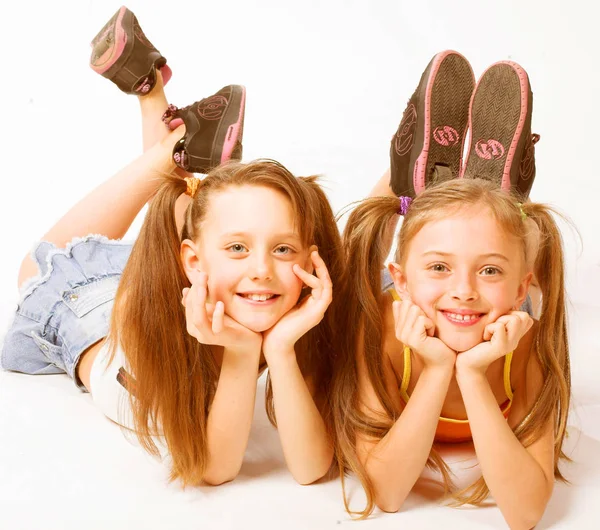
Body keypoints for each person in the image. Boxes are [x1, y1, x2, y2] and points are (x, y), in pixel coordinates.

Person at [1, 6, 343, 487]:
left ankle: (150, 91)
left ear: (310, 261)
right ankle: (169, 151)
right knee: (36, 271)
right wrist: (244, 353)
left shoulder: (288, 314)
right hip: (83, 306)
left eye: (283, 250)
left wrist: (282, 349)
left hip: (190, 277)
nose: (264, 270)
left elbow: (311, 470)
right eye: (242, 250)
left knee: (192, 210)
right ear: (192, 262)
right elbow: (215, 469)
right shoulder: (153, 332)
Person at [333, 51, 570, 529]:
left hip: (465, 296)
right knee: (342, 282)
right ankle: (410, 181)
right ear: (397, 278)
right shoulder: (382, 326)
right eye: (441, 267)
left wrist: (475, 376)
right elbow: (389, 494)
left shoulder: (524, 344)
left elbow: (524, 515)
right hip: (412, 301)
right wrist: (439, 367)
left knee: (480, 234)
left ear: (523, 289)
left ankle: (481, 194)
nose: (464, 291)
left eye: (489, 272)